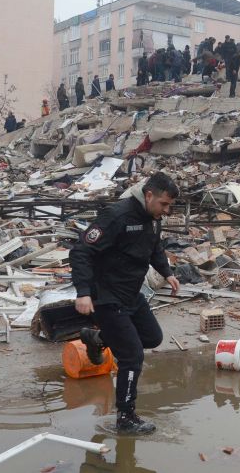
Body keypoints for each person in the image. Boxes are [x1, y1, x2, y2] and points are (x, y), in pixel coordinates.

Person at [71, 173, 181, 435]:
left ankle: (98, 338)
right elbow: (81, 251)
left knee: (152, 337)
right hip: (107, 296)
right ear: (149, 195)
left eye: (170, 206)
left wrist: (167, 272)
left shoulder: (154, 220)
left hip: (132, 293)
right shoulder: (117, 216)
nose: (166, 211)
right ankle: (126, 417)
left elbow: (154, 248)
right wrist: (83, 292)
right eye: (163, 204)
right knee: (132, 356)